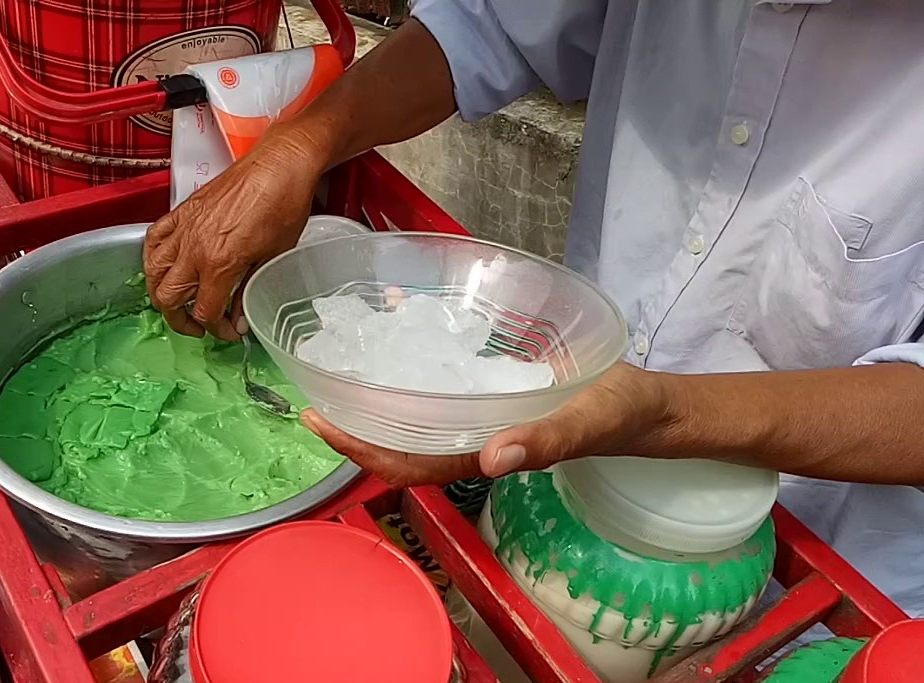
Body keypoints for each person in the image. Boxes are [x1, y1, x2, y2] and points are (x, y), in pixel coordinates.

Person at [143, 0, 924, 617]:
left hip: (813, 571)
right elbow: (488, 26)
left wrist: (660, 413)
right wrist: (301, 143)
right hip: (556, 458)